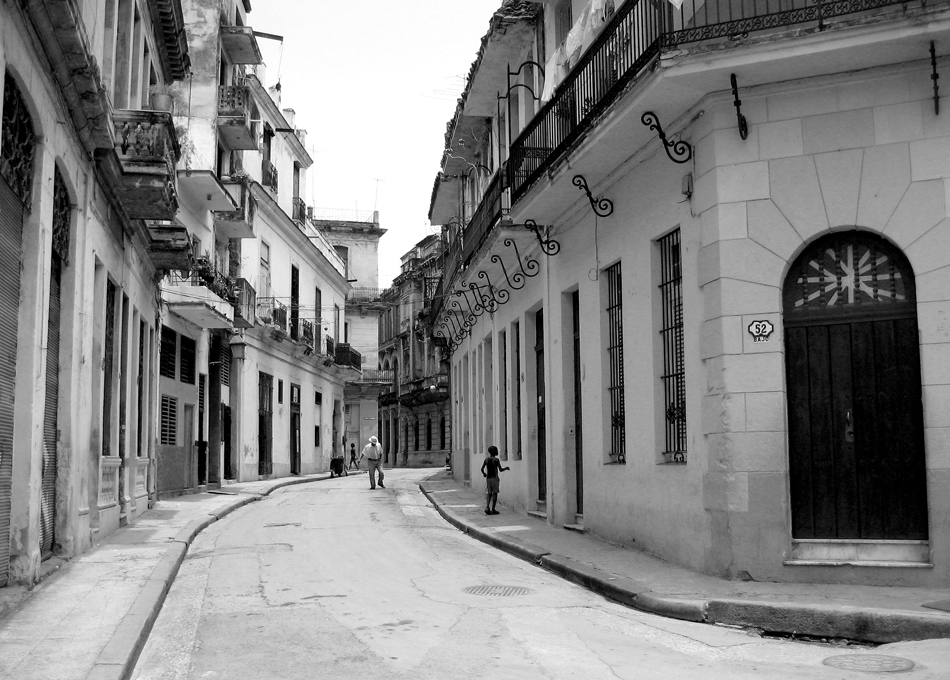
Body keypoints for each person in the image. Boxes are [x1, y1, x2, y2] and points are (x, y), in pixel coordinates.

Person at [480, 445, 509, 515]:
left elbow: (482, 469)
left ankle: (487, 507)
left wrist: (484, 474)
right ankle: (493, 509)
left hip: (488, 478)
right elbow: (500, 469)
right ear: (493, 451)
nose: (497, 451)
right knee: (495, 493)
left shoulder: (486, 460)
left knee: (489, 493)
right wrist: (506, 468)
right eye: (496, 450)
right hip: (494, 478)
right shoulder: (496, 460)